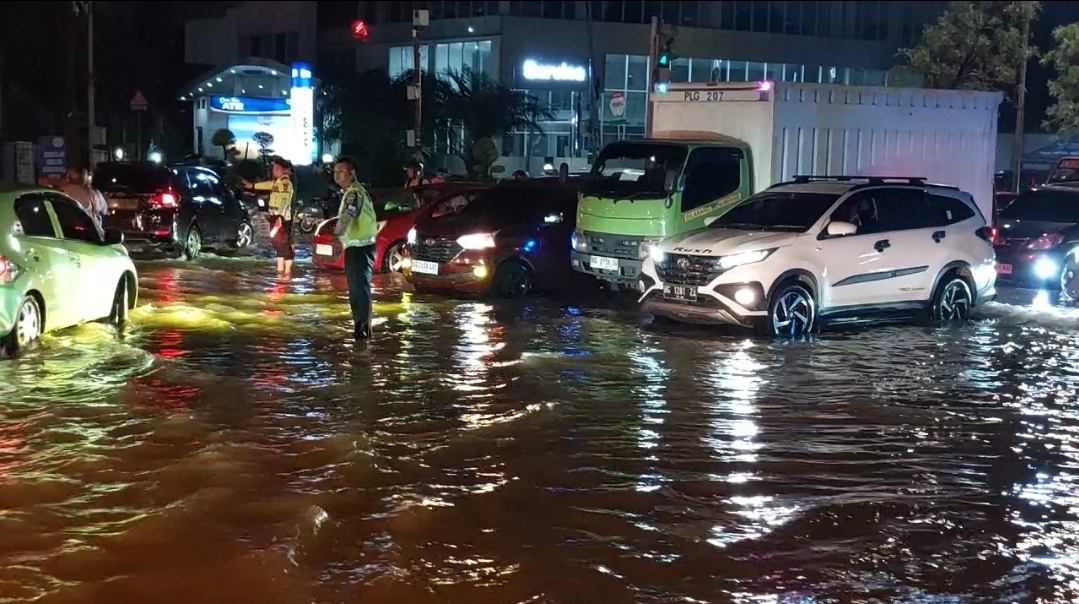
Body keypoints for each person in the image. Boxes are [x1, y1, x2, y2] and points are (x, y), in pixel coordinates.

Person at [332, 157, 378, 342]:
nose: (337, 175)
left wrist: (337, 237)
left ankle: (362, 333)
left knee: (359, 291)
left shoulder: (354, 193)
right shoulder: (354, 191)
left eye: (341, 171)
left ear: (352, 173)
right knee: (358, 290)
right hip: (358, 247)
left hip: (360, 248)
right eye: (335, 171)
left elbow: (348, 214)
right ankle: (362, 331)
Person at [244, 156, 296, 275]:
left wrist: (279, 218)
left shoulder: (285, 183)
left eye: (275, 168)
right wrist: (252, 186)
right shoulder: (279, 182)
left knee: (282, 243)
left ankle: (286, 272)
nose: (273, 170)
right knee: (277, 242)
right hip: (276, 216)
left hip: (280, 218)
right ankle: (280, 270)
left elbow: (284, 201)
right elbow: (268, 185)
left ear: (279, 168)